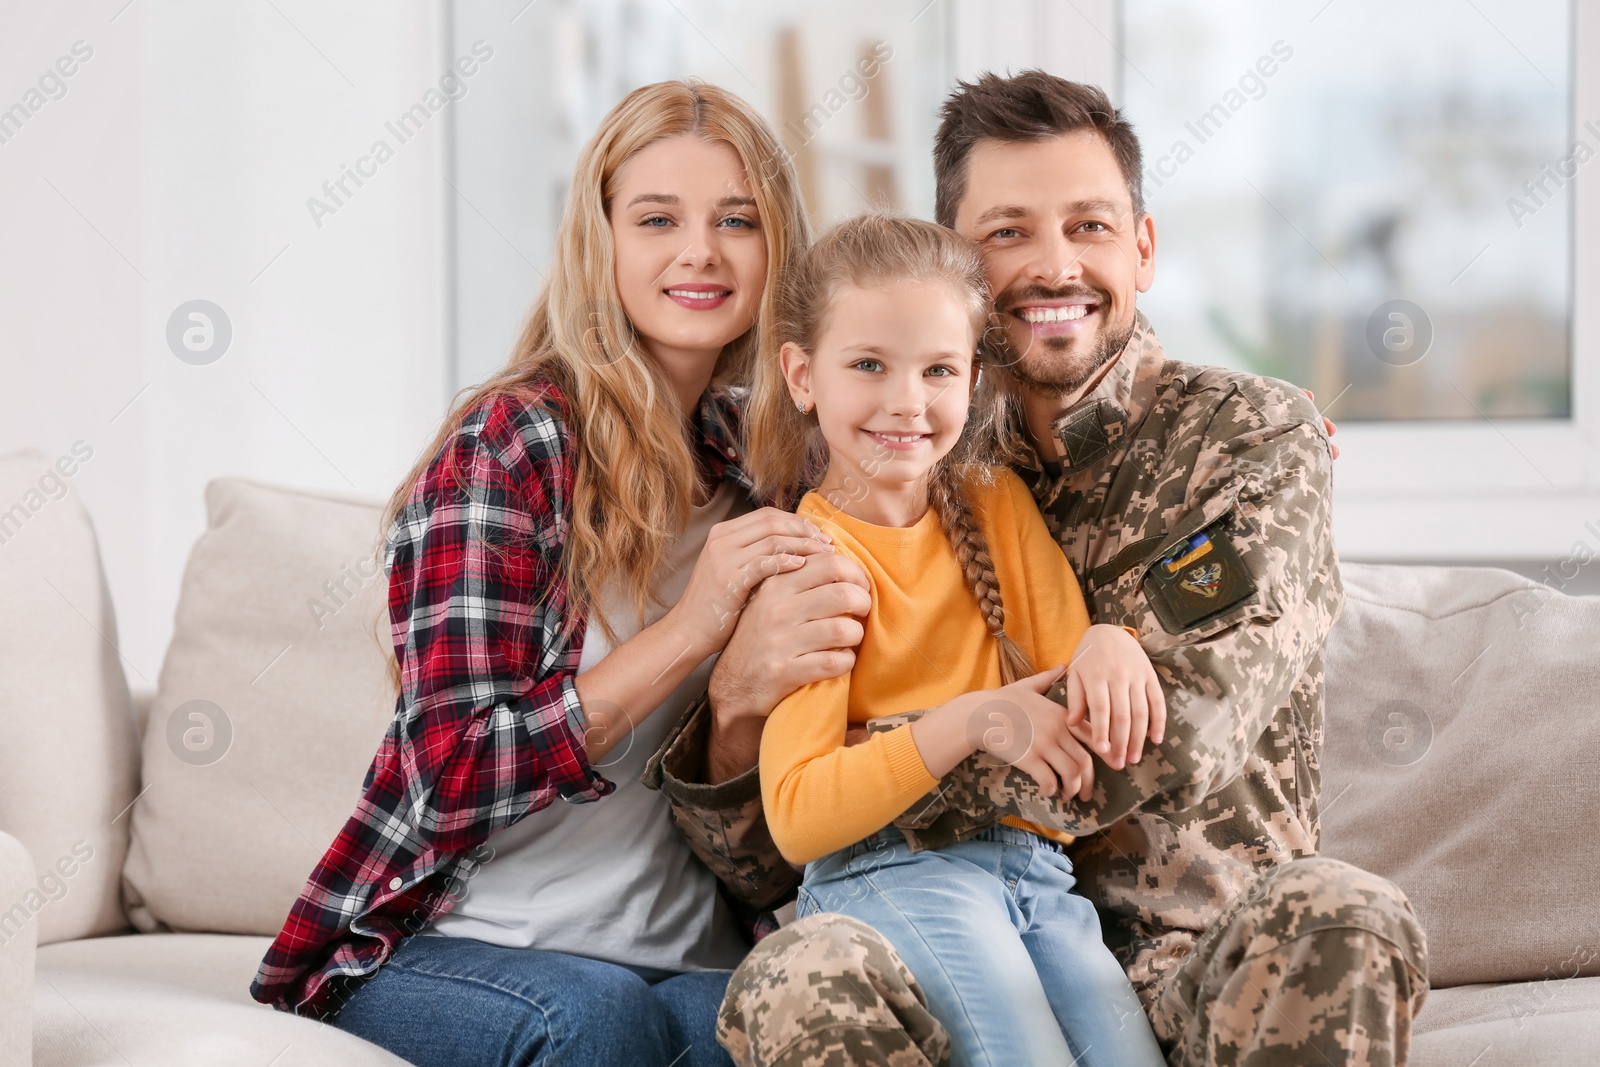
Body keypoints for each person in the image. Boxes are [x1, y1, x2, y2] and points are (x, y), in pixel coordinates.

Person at [649, 73, 1429, 1067]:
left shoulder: (1248, 440)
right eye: (1008, 231)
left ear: (1141, 246)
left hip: (1195, 967)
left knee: (1340, 909)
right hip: (936, 949)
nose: (1055, 264)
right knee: (795, 970)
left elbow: (1176, 729)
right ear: (955, 270)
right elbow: (762, 853)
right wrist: (735, 706)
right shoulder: (892, 462)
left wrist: (897, 739)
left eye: (1090, 225)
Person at [248, 79, 839, 1067]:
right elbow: (454, 772)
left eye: (737, 219)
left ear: (776, 246)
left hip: (685, 946)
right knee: (598, 1021)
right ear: (599, 242)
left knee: (800, 1027)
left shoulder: (766, 469)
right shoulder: (511, 449)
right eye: (658, 218)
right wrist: (692, 627)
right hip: (455, 941)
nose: (700, 250)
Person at [746, 213, 1169, 1067]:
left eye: (938, 369)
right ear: (803, 375)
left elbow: (1068, 670)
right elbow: (796, 817)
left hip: (1037, 872)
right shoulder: (810, 562)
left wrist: (1110, 643)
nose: (907, 400)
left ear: (972, 378)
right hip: (895, 869)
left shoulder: (994, 504)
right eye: (869, 365)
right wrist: (968, 721)